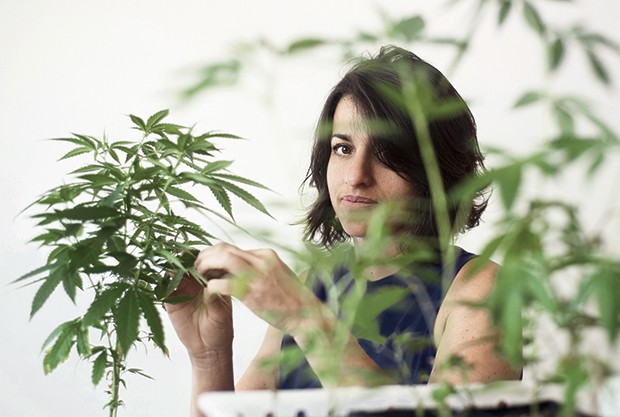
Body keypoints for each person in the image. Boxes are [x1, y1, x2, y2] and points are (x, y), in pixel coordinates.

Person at [166, 45, 521, 417]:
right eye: (343, 148)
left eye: (386, 154)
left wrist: (306, 318)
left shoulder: (483, 290)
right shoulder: (312, 282)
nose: (356, 177)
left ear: (437, 168)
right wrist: (209, 356)